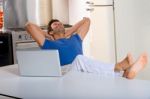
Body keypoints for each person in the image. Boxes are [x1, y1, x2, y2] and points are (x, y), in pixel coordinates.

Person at [25, 17, 148, 79]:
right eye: (55, 24)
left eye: (60, 23)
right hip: (64, 73)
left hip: (81, 71)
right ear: (51, 32)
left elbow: (87, 21)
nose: (59, 24)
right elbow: (29, 26)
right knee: (80, 59)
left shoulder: (75, 38)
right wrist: (47, 35)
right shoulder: (48, 43)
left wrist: (68, 32)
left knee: (90, 66)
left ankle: (124, 73)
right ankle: (119, 66)